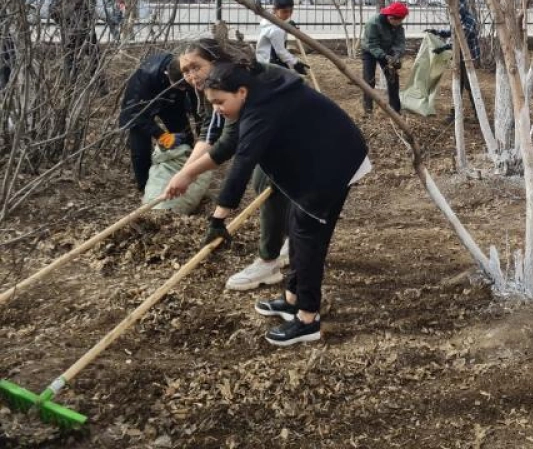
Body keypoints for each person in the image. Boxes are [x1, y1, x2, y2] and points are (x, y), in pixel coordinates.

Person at [165, 59, 372, 346]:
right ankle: (292, 299)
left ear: (241, 92)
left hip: (334, 163)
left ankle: (307, 319)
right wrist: (187, 174)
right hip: (319, 159)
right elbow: (227, 146)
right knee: (298, 230)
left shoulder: (262, 109)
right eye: (211, 103)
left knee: (308, 238)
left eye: (219, 102)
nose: (216, 109)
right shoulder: (256, 96)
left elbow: (243, 163)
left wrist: (219, 217)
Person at [180, 38, 293, 291]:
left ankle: (269, 261)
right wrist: (184, 173)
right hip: (278, 130)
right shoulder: (216, 86)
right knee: (276, 182)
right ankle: (290, 242)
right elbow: (210, 133)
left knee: (266, 179)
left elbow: (231, 145)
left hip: (293, 126)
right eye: (185, 71)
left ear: (215, 62)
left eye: (196, 67)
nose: (190, 75)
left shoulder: (238, 81)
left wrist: (218, 217)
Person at [119, 51, 199, 192]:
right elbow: (135, 113)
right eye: (179, 86)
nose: (183, 89)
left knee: (184, 137)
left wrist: (201, 131)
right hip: (141, 105)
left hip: (172, 101)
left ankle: (186, 175)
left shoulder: (189, 73)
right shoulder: (145, 77)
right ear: (167, 74)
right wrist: (161, 135)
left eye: (184, 87)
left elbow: (196, 103)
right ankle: (145, 187)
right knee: (140, 148)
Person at [361, 0, 408, 114]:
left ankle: (395, 110)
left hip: (388, 51)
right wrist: (385, 57)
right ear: (391, 18)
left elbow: (400, 42)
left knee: (393, 80)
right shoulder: (373, 23)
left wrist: (396, 55)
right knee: (369, 80)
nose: (401, 22)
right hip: (370, 52)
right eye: (400, 20)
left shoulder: (397, 24)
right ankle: (368, 110)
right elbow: (372, 45)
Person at [255, 0, 310, 75]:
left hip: (263, 58)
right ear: (275, 10)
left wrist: (289, 24)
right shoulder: (276, 30)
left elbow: (282, 22)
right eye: (285, 12)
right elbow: (281, 52)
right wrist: (296, 63)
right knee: (291, 79)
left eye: (291, 11)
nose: (288, 14)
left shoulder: (271, 20)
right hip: (269, 63)